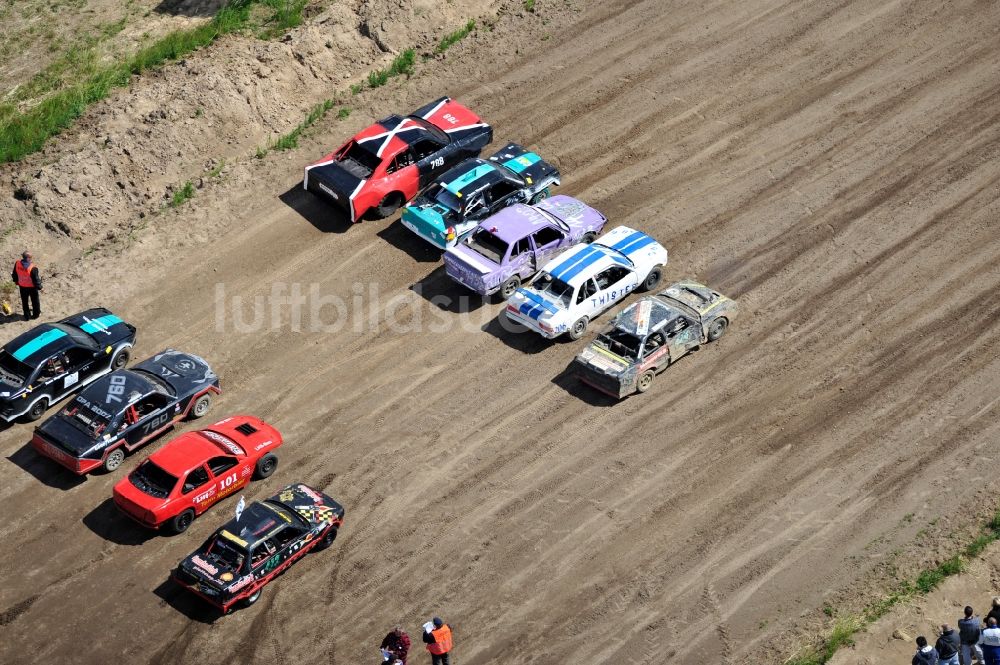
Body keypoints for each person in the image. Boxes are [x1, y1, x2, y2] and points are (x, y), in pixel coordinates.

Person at [11, 251, 41, 320]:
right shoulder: (33, 267)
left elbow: (14, 273)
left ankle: (27, 316)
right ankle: (35, 315)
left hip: (22, 286)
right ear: (28, 258)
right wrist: (39, 287)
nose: (31, 258)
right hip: (32, 287)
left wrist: (16, 281)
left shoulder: (17, 263)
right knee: (35, 301)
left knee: (24, 301)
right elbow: (36, 279)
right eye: (31, 257)